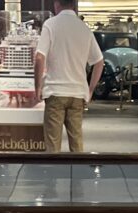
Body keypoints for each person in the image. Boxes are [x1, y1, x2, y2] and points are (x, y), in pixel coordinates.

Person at [34, 0, 104, 153]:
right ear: (74, 5)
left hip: (55, 92)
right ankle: (77, 175)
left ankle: (54, 176)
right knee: (77, 144)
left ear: (56, 4)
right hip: (77, 94)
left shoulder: (50, 25)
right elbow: (99, 62)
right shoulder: (84, 28)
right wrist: (90, 90)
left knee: (53, 147)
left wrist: (38, 87)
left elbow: (39, 57)